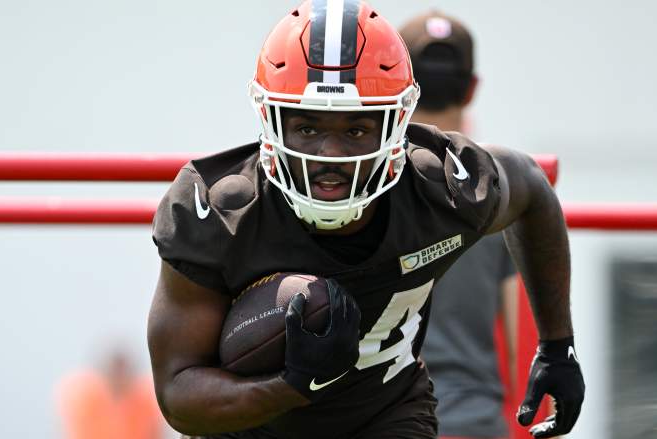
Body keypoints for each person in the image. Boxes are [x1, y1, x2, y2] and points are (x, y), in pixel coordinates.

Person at [147, 1, 584, 438]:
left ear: (396, 126)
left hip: (386, 417)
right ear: (271, 121)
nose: (330, 155)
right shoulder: (218, 212)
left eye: (355, 130)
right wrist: (291, 386)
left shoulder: (443, 188)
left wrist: (557, 345)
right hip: (250, 427)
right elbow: (178, 395)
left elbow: (531, 187)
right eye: (307, 128)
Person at [399, 12, 520, 439]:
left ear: (400, 87)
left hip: (385, 422)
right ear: (471, 89)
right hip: (476, 423)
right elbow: (521, 346)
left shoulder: (355, 185)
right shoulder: (504, 190)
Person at [56, 346, 165, 439]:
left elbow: (154, 433)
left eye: (122, 374)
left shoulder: (146, 400)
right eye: (115, 373)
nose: (118, 379)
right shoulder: (84, 399)